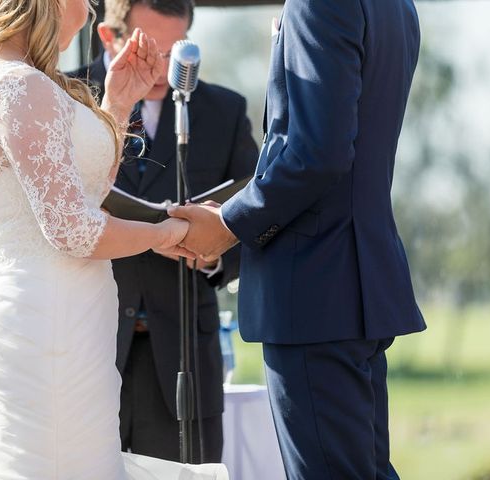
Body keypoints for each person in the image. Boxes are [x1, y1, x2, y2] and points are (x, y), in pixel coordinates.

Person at [0, 0, 228, 478]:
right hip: (46, 332)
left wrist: (118, 103)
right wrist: (167, 231)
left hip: (48, 323)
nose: (89, 8)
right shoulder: (20, 86)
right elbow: (75, 229)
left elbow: (82, 192)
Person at [169, 0, 426, 478]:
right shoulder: (398, 6)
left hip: (313, 287)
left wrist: (227, 225)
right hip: (356, 283)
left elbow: (316, 154)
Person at [69, 0, 258, 463]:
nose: (165, 65)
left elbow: (256, 220)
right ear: (110, 37)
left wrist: (212, 253)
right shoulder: (65, 95)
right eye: (152, 49)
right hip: (85, 350)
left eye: (178, 49)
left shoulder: (224, 111)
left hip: (184, 360)